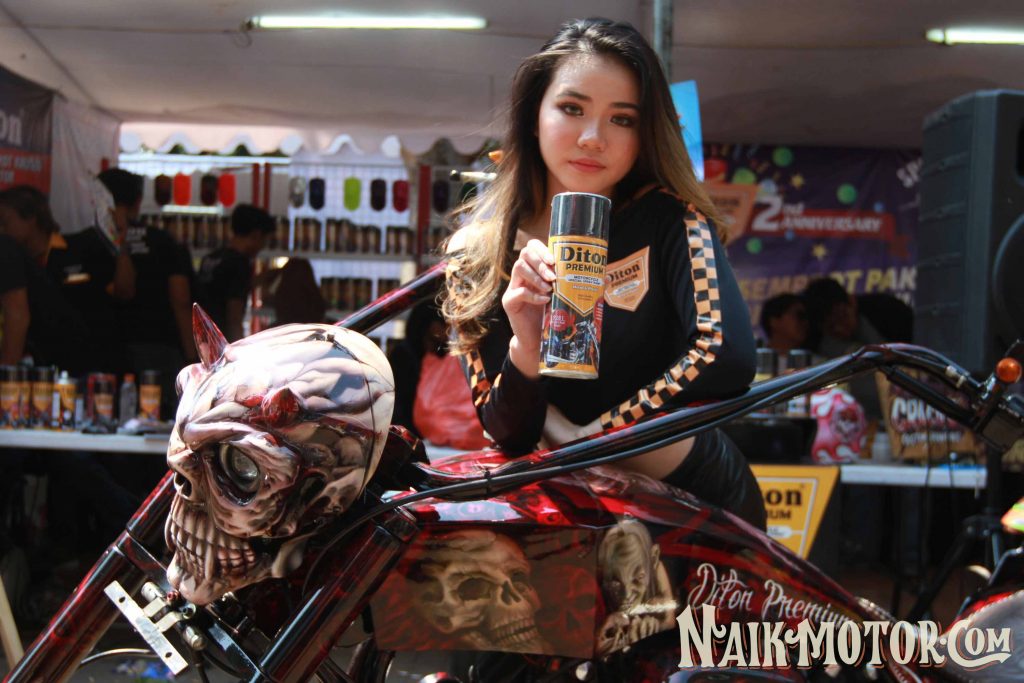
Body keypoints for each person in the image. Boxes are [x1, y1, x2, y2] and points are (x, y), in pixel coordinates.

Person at [441, 18, 765, 529]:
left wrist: (592, 437)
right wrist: (526, 345)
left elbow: (728, 356)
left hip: (695, 509)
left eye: (622, 119)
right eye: (572, 109)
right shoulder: (476, 254)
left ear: (644, 134)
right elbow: (507, 432)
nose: (593, 138)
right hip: (570, 519)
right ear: (534, 115)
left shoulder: (670, 220)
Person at [101, 169, 197, 418]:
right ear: (138, 201)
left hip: (109, 346)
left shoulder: (96, 240)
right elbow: (181, 300)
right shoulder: (163, 241)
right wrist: (191, 357)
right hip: (159, 347)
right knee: (159, 419)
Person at [0, 185, 126, 374]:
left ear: (31, 218)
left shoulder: (84, 246)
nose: (1, 229)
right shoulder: (15, 267)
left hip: (99, 364)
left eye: (4, 221)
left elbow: (124, 291)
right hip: (46, 369)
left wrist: (121, 244)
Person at [196, 204, 274, 342]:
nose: (262, 247)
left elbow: (221, 290)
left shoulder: (211, 258)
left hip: (202, 338)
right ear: (256, 234)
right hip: (221, 341)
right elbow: (234, 316)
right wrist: (237, 346)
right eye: (264, 241)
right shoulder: (239, 263)